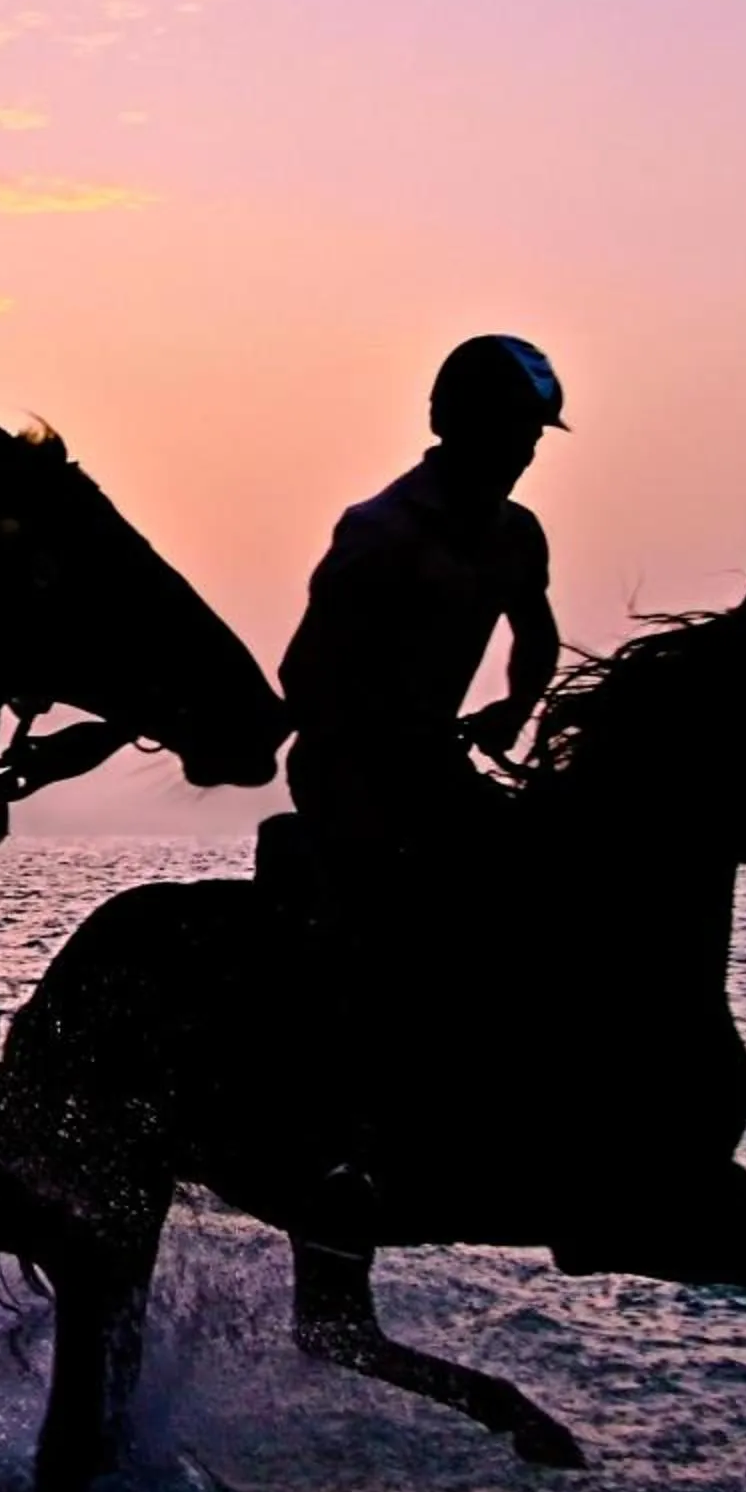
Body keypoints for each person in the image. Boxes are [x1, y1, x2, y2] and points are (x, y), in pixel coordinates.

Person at [273, 333, 571, 1237]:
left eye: (531, 438)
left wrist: (515, 710)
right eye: (509, 433)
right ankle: (346, 1143)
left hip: (434, 764)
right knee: (386, 924)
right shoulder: (381, 533)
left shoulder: (519, 536)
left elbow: (537, 635)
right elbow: (303, 678)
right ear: (454, 427)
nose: (522, 454)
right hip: (347, 769)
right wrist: (396, 732)